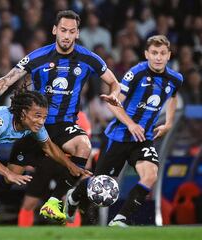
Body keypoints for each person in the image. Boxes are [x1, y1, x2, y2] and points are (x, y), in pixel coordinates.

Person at [0, 10, 121, 227]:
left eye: (72, 31)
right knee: (10, 176)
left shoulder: (88, 58)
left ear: (77, 33)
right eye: (63, 30)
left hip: (65, 124)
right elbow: (8, 79)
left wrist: (114, 94)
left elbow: (114, 83)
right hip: (36, 125)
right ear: (55, 30)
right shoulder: (38, 57)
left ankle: (55, 201)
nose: (67, 36)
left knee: (83, 146)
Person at [64, 35, 184, 227]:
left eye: (162, 53)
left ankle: (121, 220)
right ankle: (74, 196)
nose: (158, 57)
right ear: (146, 54)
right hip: (119, 136)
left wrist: (168, 123)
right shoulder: (135, 73)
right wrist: (130, 123)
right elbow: (114, 103)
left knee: (150, 174)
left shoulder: (175, 79)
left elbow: (173, 98)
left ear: (169, 55)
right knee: (100, 184)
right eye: (154, 53)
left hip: (144, 138)